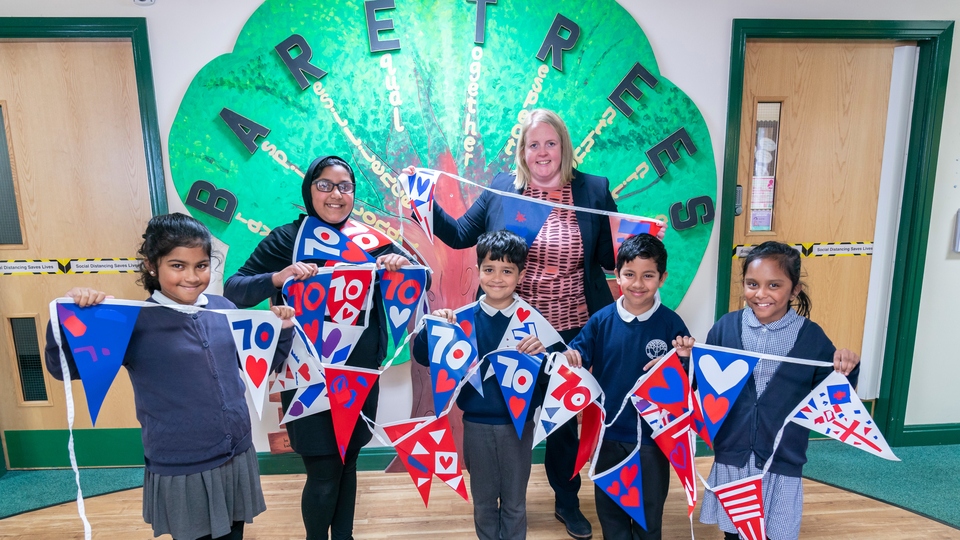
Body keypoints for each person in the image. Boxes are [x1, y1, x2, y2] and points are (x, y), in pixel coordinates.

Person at [409, 108, 618, 539]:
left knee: (561, 419)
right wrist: (422, 201)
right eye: (532, 144)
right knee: (508, 414)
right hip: (511, 327)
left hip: (570, 327)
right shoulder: (504, 188)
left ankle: (566, 499)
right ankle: (499, 502)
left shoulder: (593, 190)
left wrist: (644, 240)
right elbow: (461, 233)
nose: (542, 152)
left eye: (550, 142)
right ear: (522, 150)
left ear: (564, 145)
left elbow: (610, 258)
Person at [44, 213, 295, 540]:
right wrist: (69, 322)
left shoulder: (223, 308)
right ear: (152, 266)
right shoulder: (133, 323)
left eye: (201, 266)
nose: (192, 277)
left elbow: (261, 365)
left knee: (234, 535)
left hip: (236, 455)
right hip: (183, 467)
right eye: (178, 266)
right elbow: (65, 368)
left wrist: (285, 330)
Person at [223, 155, 416, 540]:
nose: (335, 194)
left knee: (347, 462)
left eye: (345, 186)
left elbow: (418, 283)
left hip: (360, 374)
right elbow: (234, 291)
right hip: (308, 376)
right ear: (309, 189)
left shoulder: (372, 241)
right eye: (324, 185)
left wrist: (399, 264)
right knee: (324, 469)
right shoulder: (286, 239)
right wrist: (278, 277)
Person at [698, 241, 861, 540]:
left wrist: (847, 367)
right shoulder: (725, 328)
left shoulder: (811, 337)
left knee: (773, 534)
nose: (761, 294)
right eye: (752, 284)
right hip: (733, 455)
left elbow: (833, 397)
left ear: (795, 289)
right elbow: (702, 382)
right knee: (733, 533)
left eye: (774, 285)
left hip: (781, 459)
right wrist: (683, 360)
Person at [413, 230, 551, 540]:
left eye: (507, 270)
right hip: (475, 424)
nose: (497, 278)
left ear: (521, 274)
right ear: (478, 272)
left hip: (519, 426)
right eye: (489, 269)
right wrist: (432, 327)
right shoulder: (461, 319)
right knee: (485, 503)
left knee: (515, 503)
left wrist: (543, 357)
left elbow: (551, 379)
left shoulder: (533, 322)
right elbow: (423, 356)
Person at [562, 233, 694, 540]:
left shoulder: (672, 325)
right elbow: (576, 357)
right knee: (611, 518)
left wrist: (685, 360)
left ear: (662, 278)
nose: (638, 284)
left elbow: (689, 385)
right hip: (607, 435)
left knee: (648, 519)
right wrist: (570, 356)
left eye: (648, 275)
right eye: (629, 274)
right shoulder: (601, 321)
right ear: (617, 276)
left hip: (652, 440)